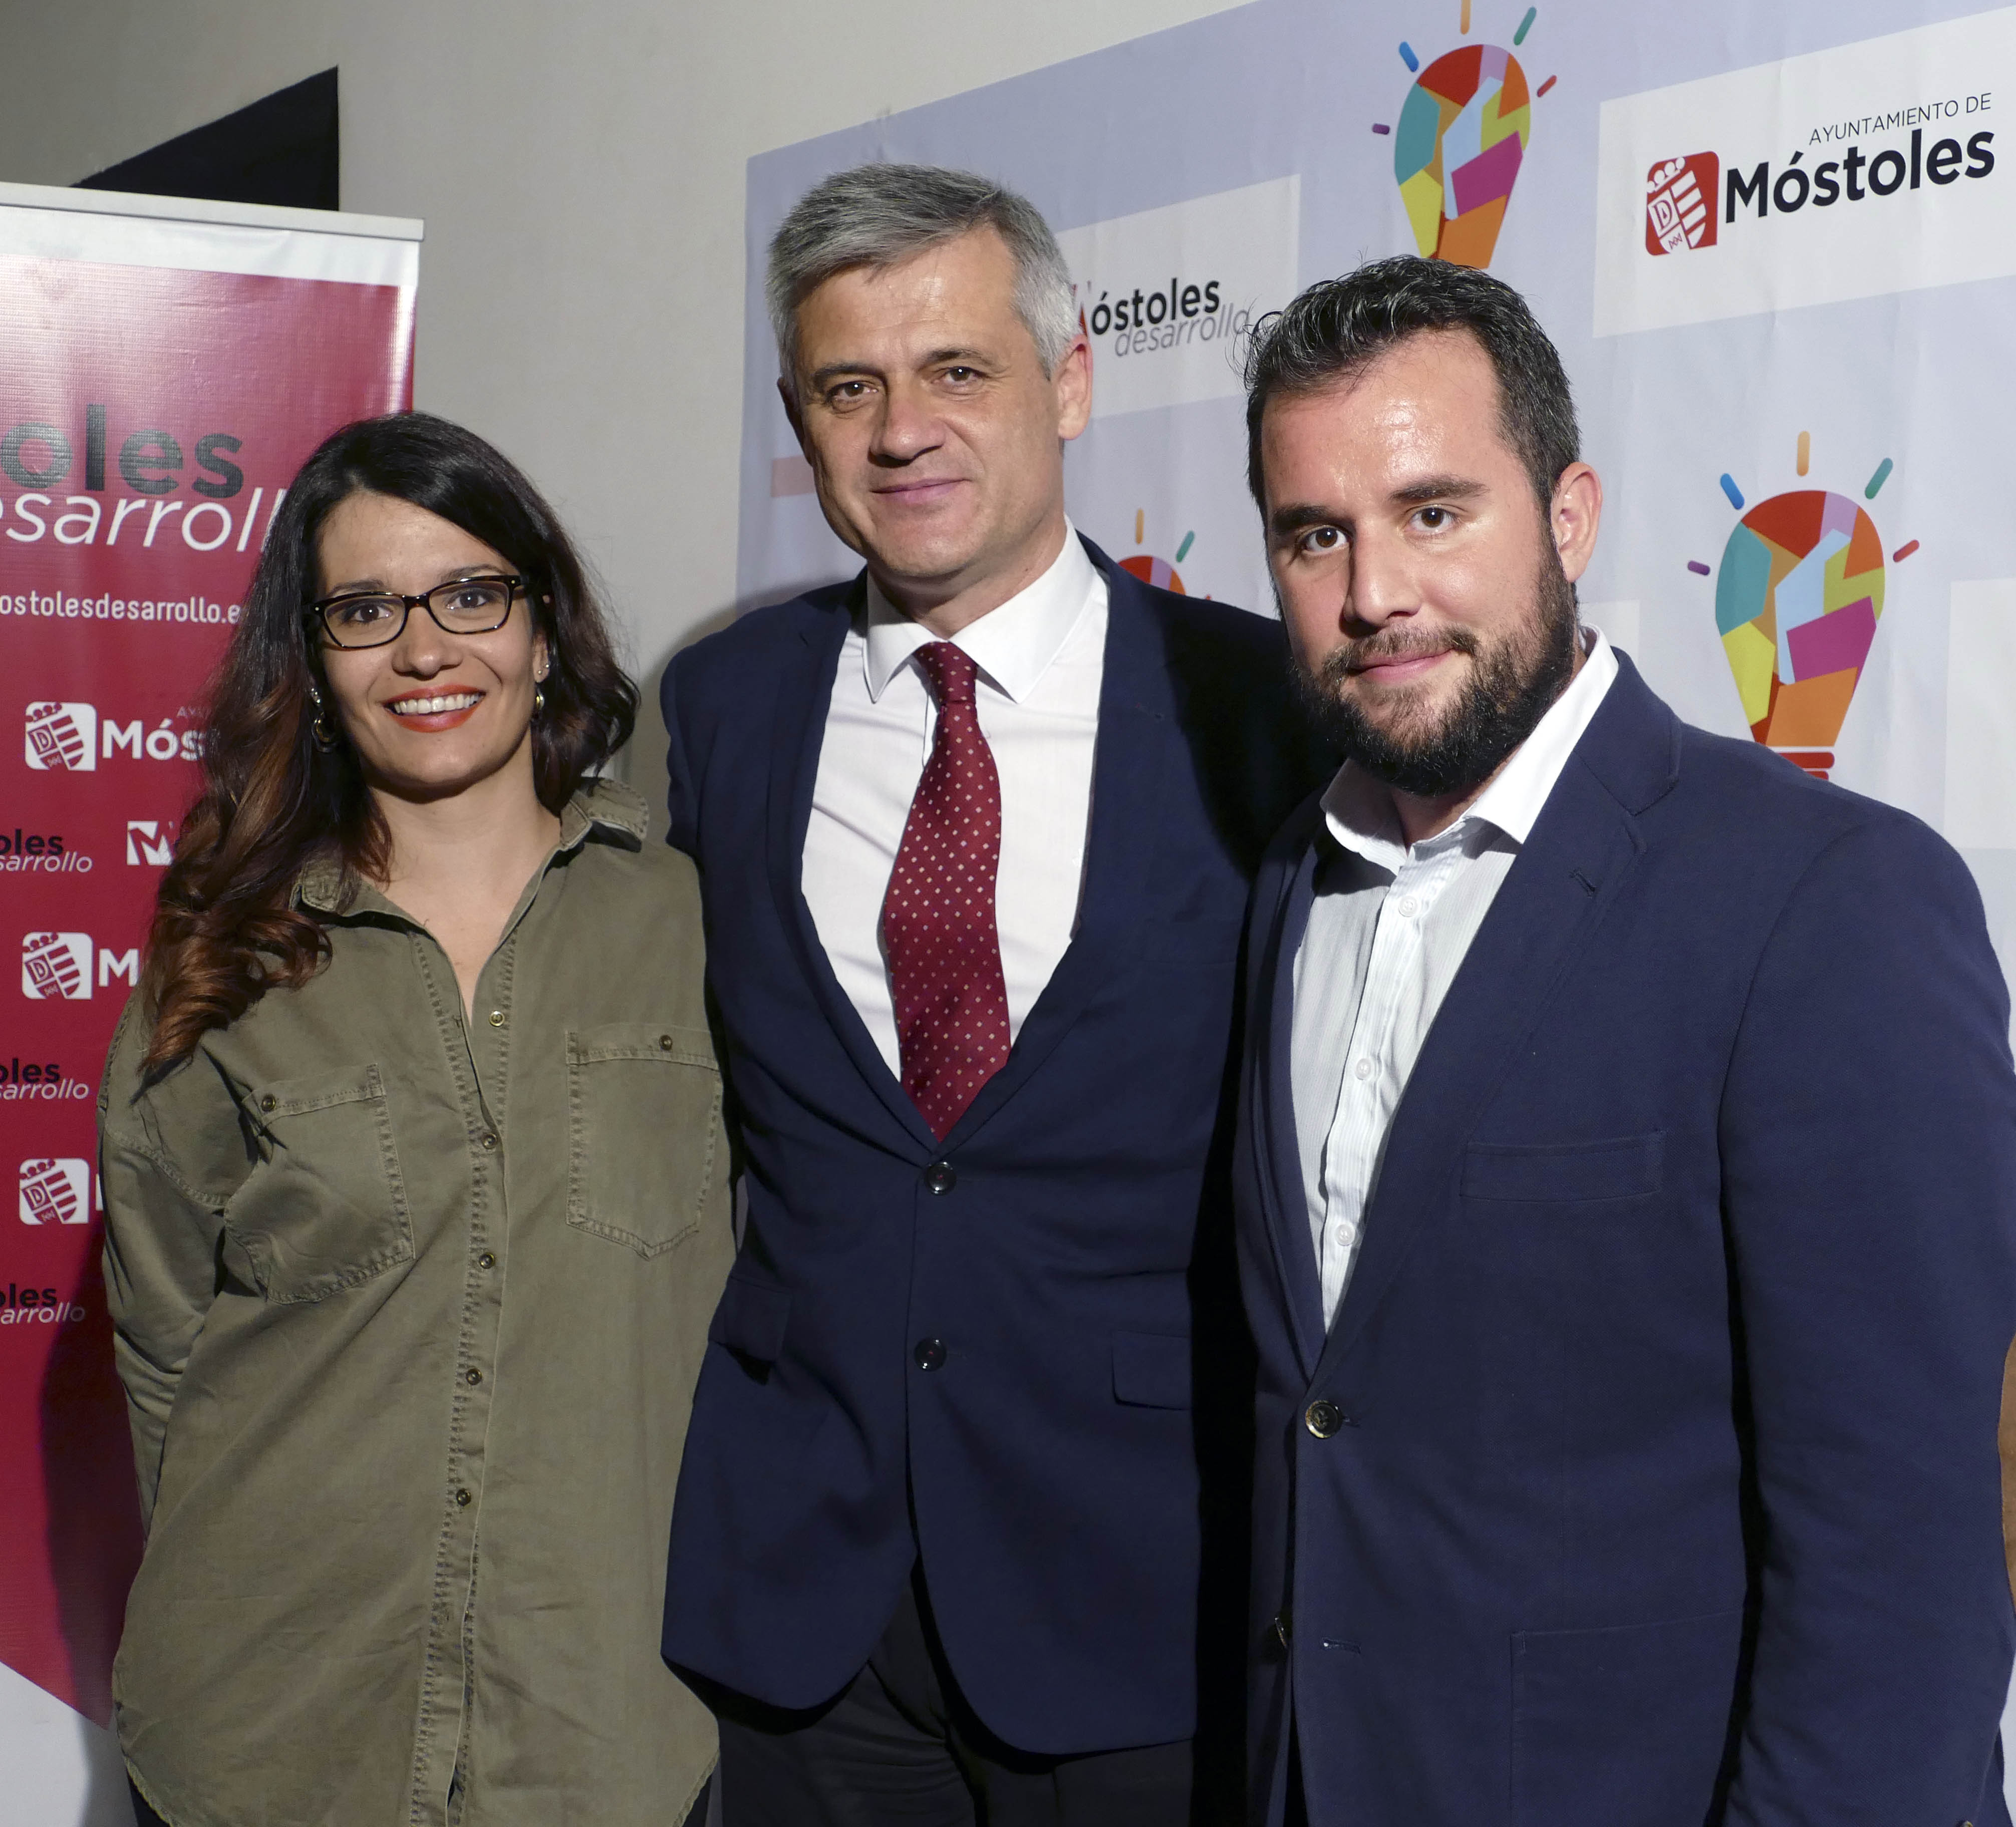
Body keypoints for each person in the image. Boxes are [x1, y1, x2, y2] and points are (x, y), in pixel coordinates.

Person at [1230, 257, 2016, 1825]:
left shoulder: (1825, 899)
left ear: (1571, 516)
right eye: (1315, 535)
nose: (1375, 591)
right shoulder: (1289, 879)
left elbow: (1906, 1554)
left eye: (1434, 512)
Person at [658, 163, 1319, 1823]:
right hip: (801, 1599)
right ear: (802, 424)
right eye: (849, 389)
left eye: (958, 369)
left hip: (1142, 1588)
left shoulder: (1260, 707)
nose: (904, 432)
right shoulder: (722, 708)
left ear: (1069, 381)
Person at [99, 413, 729, 1827]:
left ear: (543, 631)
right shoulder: (225, 957)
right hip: (273, 1736)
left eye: (471, 595)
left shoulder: (692, 925)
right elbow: (164, 1349)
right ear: (315, 667)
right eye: (366, 611)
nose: (426, 650)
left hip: (598, 1734)